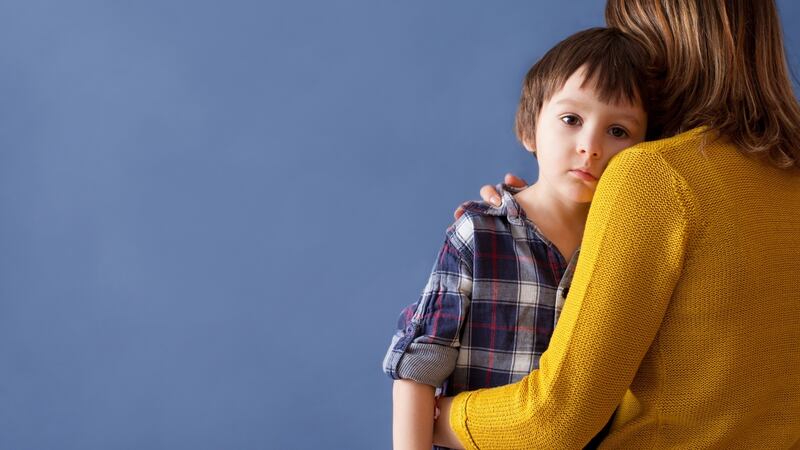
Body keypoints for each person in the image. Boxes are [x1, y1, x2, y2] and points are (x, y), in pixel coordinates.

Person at [433, 1, 800, 448]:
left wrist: (438, 414)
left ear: (664, 46)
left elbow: (554, 421)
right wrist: (546, 213)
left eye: (629, 36)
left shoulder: (654, 179)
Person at [383, 27, 649, 450]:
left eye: (618, 131)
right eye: (571, 120)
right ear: (530, 128)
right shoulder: (479, 235)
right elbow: (419, 367)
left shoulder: (628, 249)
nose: (591, 146)